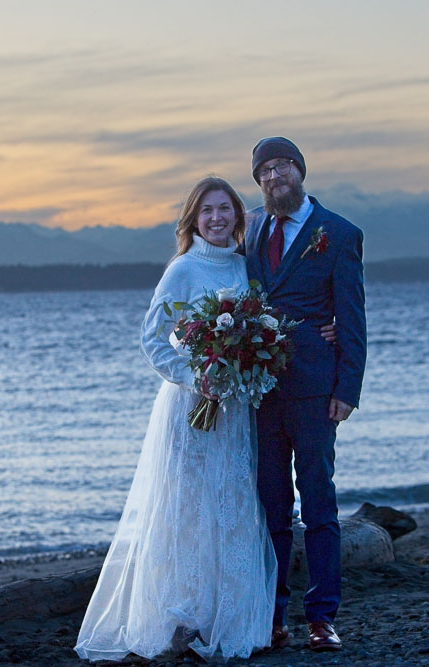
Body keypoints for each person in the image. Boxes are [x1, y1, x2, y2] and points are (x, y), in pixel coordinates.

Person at [75, 177, 277, 662]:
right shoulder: (183, 269)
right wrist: (195, 376)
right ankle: (178, 617)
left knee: (228, 503)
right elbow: (152, 338)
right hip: (190, 407)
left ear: (238, 216)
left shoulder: (247, 268)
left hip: (233, 410)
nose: (216, 217)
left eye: (224, 209)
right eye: (206, 210)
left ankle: (222, 617)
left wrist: (247, 365)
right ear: (193, 219)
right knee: (186, 508)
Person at [245, 137, 367, 652]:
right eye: (265, 170)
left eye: (283, 166)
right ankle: (273, 615)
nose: (275, 177)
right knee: (271, 507)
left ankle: (322, 617)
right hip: (259, 391)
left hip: (317, 391)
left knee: (319, 505)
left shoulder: (338, 233)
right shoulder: (248, 229)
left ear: (300, 171)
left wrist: (348, 388)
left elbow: (353, 317)